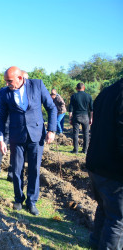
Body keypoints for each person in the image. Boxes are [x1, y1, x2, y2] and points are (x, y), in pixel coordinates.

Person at [0, 66, 56, 216]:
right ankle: (18, 199)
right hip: (17, 135)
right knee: (16, 170)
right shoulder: (4, 93)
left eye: (9, 81)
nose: (7, 84)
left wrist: (51, 130)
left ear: (20, 78)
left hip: (36, 134)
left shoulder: (37, 85)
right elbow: (1, 117)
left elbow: (51, 108)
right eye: (6, 81)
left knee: (34, 170)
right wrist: (0, 139)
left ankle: (32, 201)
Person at [86, 78, 123, 249]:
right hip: (113, 168)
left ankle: (95, 242)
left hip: (96, 163)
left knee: (103, 208)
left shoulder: (105, 92)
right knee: (117, 219)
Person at [0, 86, 14, 183]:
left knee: (16, 153)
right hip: (4, 127)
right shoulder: (4, 91)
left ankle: (11, 175)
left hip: (17, 128)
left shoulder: (25, 92)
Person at [69, 82, 93, 154]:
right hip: (85, 116)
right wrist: (91, 118)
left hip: (76, 116)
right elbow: (91, 109)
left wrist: (70, 118)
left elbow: (70, 109)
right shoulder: (89, 96)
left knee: (75, 134)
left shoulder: (74, 96)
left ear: (77, 88)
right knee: (86, 134)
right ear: (84, 88)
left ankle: (75, 150)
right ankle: (85, 150)